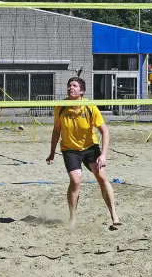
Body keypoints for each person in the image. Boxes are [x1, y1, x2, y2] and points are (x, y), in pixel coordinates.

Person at [46, 77, 121, 227]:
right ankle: (72, 218)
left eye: (74, 86)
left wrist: (103, 154)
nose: (70, 88)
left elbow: (105, 131)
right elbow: (56, 131)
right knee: (75, 181)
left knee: (101, 177)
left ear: (82, 91)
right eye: (69, 85)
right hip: (70, 149)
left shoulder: (89, 107)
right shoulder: (60, 107)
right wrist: (52, 152)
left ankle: (114, 216)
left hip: (90, 147)